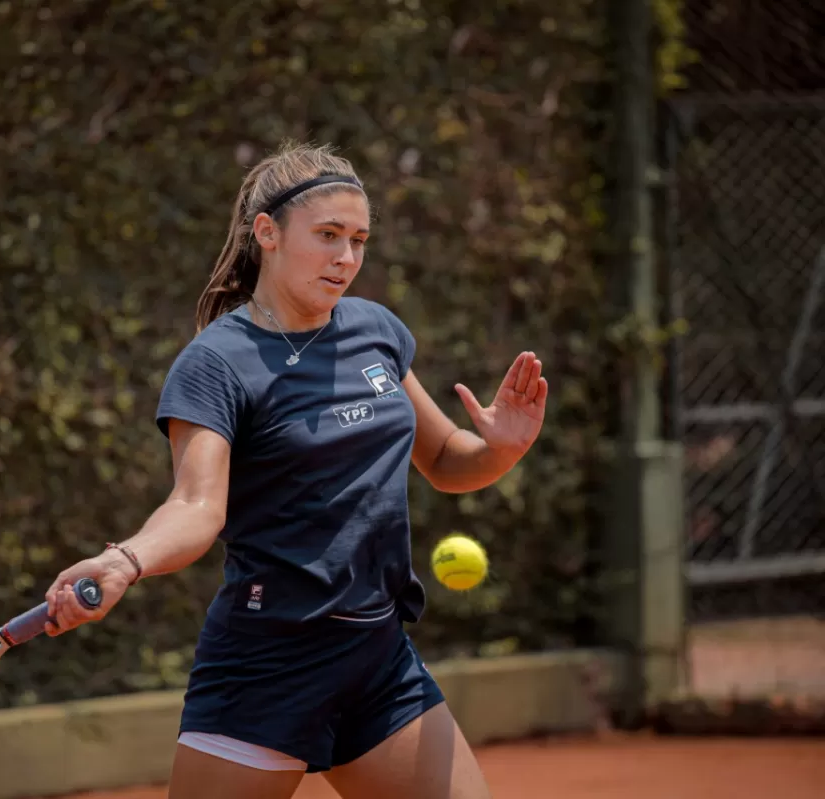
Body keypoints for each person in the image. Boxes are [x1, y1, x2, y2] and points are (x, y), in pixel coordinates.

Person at [42, 141, 548, 799]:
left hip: (377, 660)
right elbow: (197, 507)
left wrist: (502, 449)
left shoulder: (377, 332)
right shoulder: (216, 363)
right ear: (268, 233)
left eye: (359, 239)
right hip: (268, 665)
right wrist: (126, 559)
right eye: (329, 236)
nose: (346, 257)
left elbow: (447, 460)